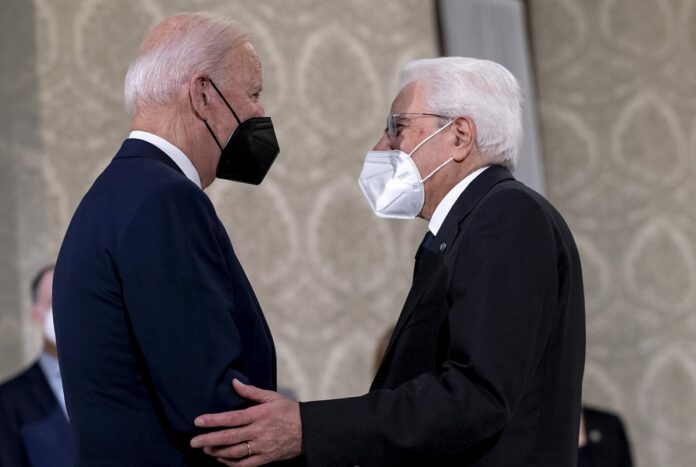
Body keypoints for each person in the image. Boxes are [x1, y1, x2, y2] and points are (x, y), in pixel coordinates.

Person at [190, 57, 586, 467]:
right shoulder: (469, 226)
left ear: (460, 136)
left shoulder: (505, 214)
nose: (381, 147)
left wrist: (307, 428)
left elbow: (475, 398)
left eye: (397, 127)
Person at [53, 12, 283, 466]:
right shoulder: (165, 198)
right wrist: (324, 439)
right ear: (203, 94)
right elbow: (214, 412)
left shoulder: (114, 193)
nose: (260, 113)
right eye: (254, 94)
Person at [0, 265, 75, 467]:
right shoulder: (9, 399)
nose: (65, 310)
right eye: (53, 302)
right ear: (36, 313)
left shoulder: (112, 381)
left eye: (72, 300)